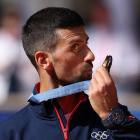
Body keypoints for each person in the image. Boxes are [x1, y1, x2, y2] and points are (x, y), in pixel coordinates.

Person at [0, 7, 140, 140]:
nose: (91, 55)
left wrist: (112, 115)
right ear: (43, 60)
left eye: (87, 44)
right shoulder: (12, 132)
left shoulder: (115, 117)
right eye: (76, 47)